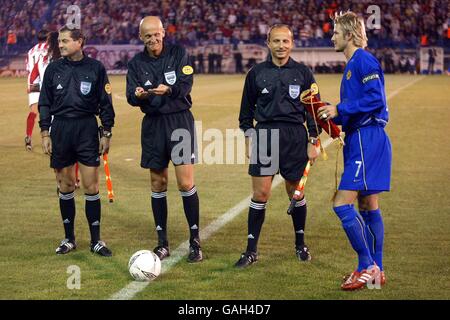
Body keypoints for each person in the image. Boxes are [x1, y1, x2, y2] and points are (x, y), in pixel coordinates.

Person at [236, 24, 320, 268]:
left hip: (295, 137)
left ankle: (300, 244)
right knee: (260, 193)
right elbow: (245, 113)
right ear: (268, 43)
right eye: (276, 41)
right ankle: (251, 250)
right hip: (265, 135)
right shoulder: (256, 73)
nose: (281, 46)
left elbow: (313, 110)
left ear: (292, 43)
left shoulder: (303, 73)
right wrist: (250, 137)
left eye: (285, 41)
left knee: (296, 193)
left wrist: (313, 140)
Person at [317, 11, 391, 290]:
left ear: (349, 35)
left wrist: (340, 108)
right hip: (364, 136)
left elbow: (375, 98)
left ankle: (366, 264)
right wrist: (330, 115)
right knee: (368, 205)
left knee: (341, 203)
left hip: (366, 139)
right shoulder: (352, 65)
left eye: (335, 32)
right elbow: (359, 105)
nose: (331, 37)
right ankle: (377, 270)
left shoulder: (362, 60)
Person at [126, 16, 202, 263]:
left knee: (185, 182)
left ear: (164, 33)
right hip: (153, 124)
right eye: (148, 35)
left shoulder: (179, 53)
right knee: (158, 183)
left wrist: (168, 89)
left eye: (156, 34)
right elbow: (130, 94)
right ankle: (162, 243)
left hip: (179, 121)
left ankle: (195, 242)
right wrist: (137, 95)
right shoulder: (136, 63)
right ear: (141, 37)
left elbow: (186, 83)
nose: (153, 39)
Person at [38, 26, 115, 256]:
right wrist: (44, 133)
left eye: (64, 41)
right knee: (66, 185)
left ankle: (96, 241)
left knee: (91, 186)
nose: (60, 45)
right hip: (60, 128)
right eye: (59, 41)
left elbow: (106, 102)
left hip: (86, 129)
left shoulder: (96, 68)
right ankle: (69, 238)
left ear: (79, 41)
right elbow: (44, 103)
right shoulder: (53, 69)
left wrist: (106, 132)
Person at [25, 29, 48, 151]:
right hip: (45, 81)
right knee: (50, 110)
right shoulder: (50, 48)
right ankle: (49, 138)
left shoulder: (31, 51)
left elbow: (29, 69)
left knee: (34, 111)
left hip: (33, 82)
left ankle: (28, 137)